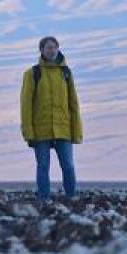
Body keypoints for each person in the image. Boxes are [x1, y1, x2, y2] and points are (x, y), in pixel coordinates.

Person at [20, 37, 84, 200]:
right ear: (41, 50)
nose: (52, 50)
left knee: (68, 166)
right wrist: (28, 131)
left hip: (63, 129)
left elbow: (73, 105)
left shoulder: (66, 73)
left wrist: (76, 132)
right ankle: (44, 200)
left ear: (58, 49)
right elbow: (26, 105)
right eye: (48, 48)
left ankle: (71, 198)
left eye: (54, 47)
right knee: (43, 166)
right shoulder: (33, 73)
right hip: (41, 129)